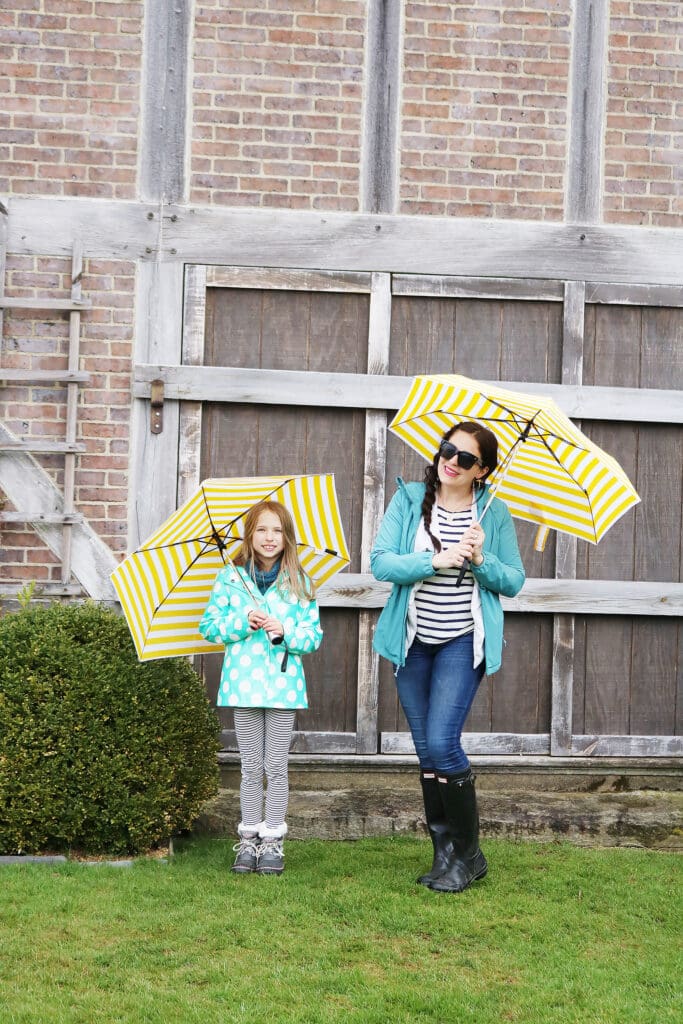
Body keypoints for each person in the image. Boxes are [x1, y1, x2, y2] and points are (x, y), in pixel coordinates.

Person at [370, 422, 525, 893]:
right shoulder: (410, 499)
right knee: (426, 752)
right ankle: (445, 854)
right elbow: (381, 562)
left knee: (442, 743)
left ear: (482, 471)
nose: (451, 461)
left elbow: (514, 581)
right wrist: (432, 561)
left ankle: (470, 854)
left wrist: (482, 561)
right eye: (448, 450)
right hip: (413, 641)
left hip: (461, 641)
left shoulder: (492, 515)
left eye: (466, 458)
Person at [199, 500, 322, 876]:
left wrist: (285, 632)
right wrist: (241, 620)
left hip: (283, 688)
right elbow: (209, 627)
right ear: (249, 535)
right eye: (262, 530)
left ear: (287, 537)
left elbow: (313, 637)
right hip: (243, 688)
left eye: (277, 530)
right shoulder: (230, 578)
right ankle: (249, 839)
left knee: (276, 766)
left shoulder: (299, 582)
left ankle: (273, 841)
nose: (270, 538)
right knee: (251, 767)